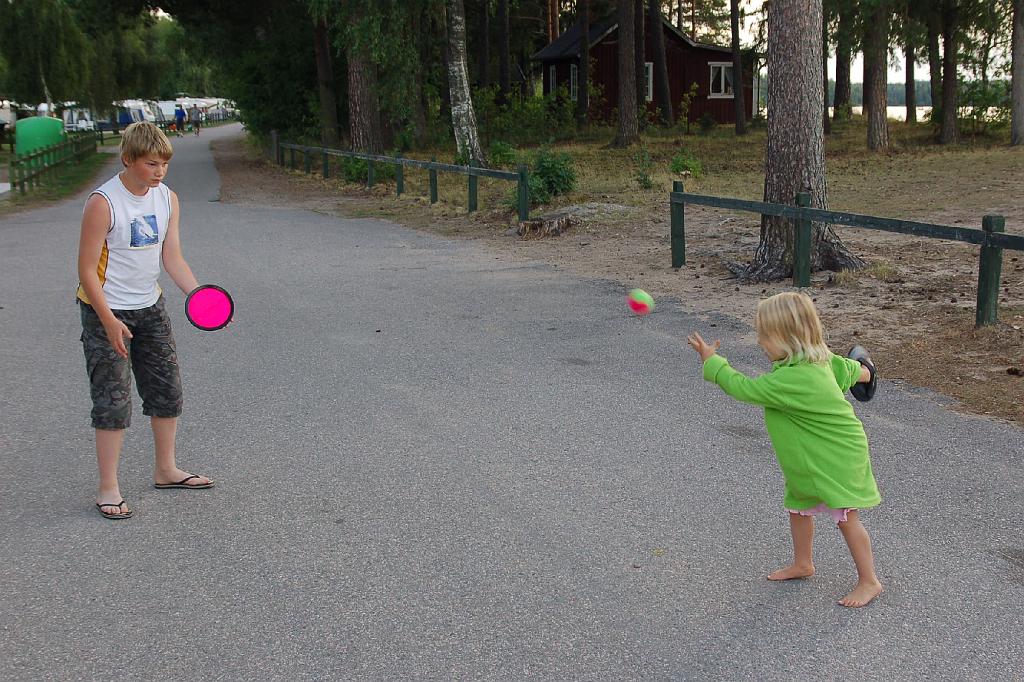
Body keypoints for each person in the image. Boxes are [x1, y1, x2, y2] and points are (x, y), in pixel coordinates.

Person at [687, 292, 882, 608]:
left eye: (766, 336)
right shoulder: (817, 359)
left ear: (789, 337)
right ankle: (803, 563)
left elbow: (744, 388)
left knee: (846, 516)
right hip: (808, 459)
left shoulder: (792, 379)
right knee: (799, 505)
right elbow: (845, 369)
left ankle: (869, 581)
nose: (760, 342)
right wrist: (866, 373)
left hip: (835, 457)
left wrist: (714, 363)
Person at [77, 121, 213, 520]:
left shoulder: (167, 199)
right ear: (128, 160)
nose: (159, 172)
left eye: (164, 165)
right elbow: (86, 270)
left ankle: (166, 470)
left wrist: (200, 296)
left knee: (167, 391)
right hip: (105, 309)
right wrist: (107, 320)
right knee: (113, 400)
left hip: (149, 306)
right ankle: (108, 487)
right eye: (151, 164)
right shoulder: (103, 202)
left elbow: (172, 258)